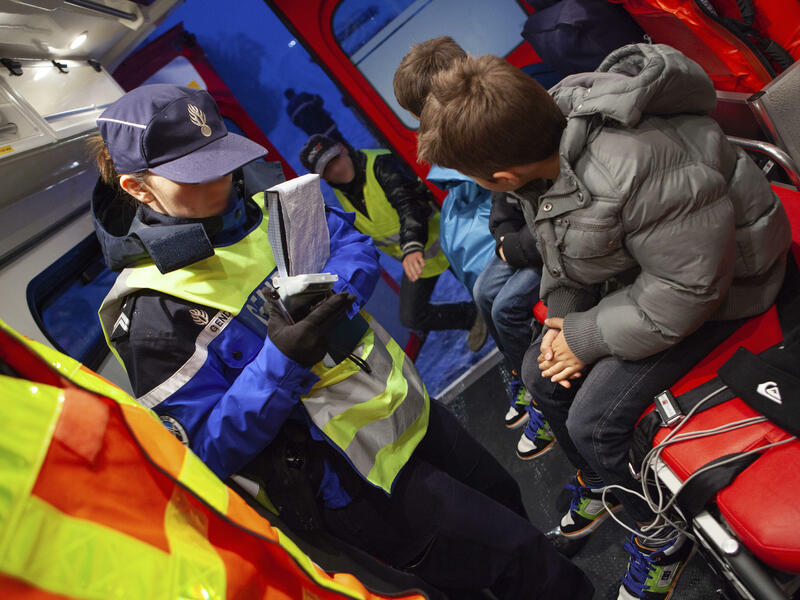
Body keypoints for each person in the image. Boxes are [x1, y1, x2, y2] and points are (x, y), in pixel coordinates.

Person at [90, 84, 592, 599]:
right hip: (355, 478)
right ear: (137, 187)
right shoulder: (152, 310)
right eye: (197, 172)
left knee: (504, 501)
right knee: (516, 566)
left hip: (411, 409)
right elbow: (203, 450)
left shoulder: (268, 204)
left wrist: (330, 294)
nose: (221, 178)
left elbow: (352, 244)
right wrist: (282, 360)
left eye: (221, 157)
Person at [416, 46, 791, 600]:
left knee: (593, 421)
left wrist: (586, 337)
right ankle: (617, 488)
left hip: (732, 285)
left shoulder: (634, 166)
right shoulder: (545, 158)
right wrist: (561, 320)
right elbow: (564, 252)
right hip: (654, 278)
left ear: (501, 177)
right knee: (539, 373)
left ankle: (663, 535)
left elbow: (692, 288)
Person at [394, 36, 540, 421]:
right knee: (483, 289)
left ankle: (537, 382)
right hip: (490, 219)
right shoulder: (453, 183)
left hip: (514, 231)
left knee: (492, 287)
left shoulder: (487, 121)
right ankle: (522, 371)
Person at [299, 133, 487, 351]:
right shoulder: (342, 197)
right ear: (323, 178)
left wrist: (412, 245)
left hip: (447, 241)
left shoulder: (380, 164)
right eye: (328, 169)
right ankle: (471, 316)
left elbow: (408, 205)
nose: (337, 169)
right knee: (411, 316)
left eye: (336, 159)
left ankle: (502, 323)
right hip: (419, 261)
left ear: (344, 149)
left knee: (488, 291)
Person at [476, 191, 553, 458]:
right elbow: (501, 197)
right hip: (523, 231)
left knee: (505, 307)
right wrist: (504, 235)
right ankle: (522, 377)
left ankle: (545, 400)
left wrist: (515, 246)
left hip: (547, 236)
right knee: (482, 292)